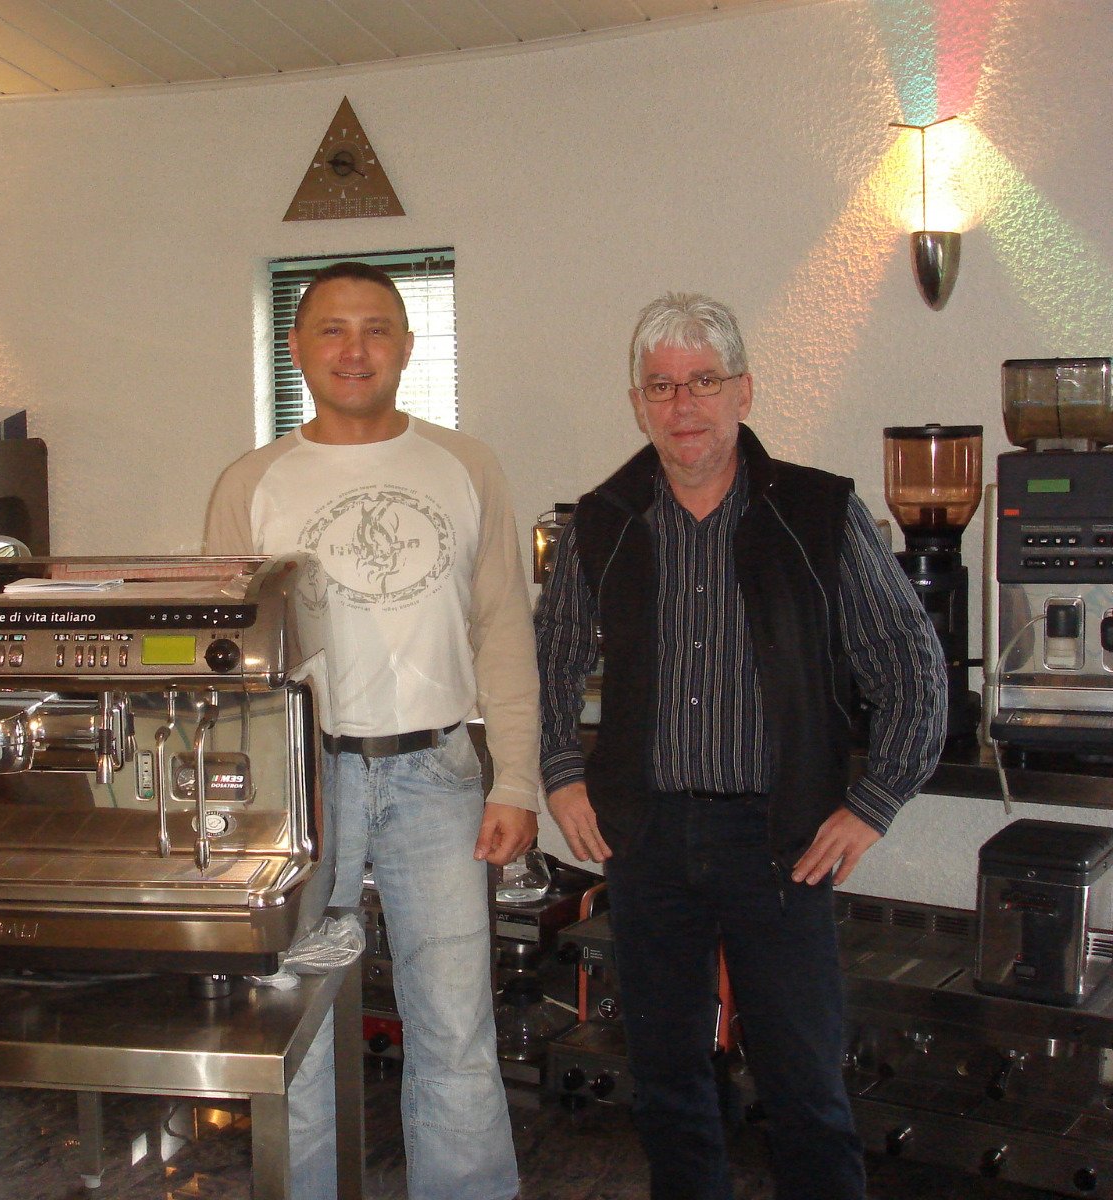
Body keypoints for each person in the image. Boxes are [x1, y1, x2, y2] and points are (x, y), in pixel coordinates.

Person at [535, 292, 944, 1200]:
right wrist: (562, 775)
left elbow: (913, 668)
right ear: (639, 402)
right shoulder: (598, 524)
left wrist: (871, 805)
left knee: (804, 1084)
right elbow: (549, 661)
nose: (683, 406)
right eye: (662, 387)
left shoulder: (818, 512)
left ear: (744, 392)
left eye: (703, 383)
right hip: (645, 843)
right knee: (670, 1085)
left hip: (783, 843)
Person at [204, 261, 540, 1200]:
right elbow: (227, 662)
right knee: (298, 1028)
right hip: (303, 789)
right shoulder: (254, 482)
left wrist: (515, 777)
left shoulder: (466, 466)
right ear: (298, 348)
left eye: (377, 328)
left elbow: (505, 627)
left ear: (407, 343)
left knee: (456, 1032)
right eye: (332, 330)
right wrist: (238, 808)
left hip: (438, 776)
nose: (356, 349)